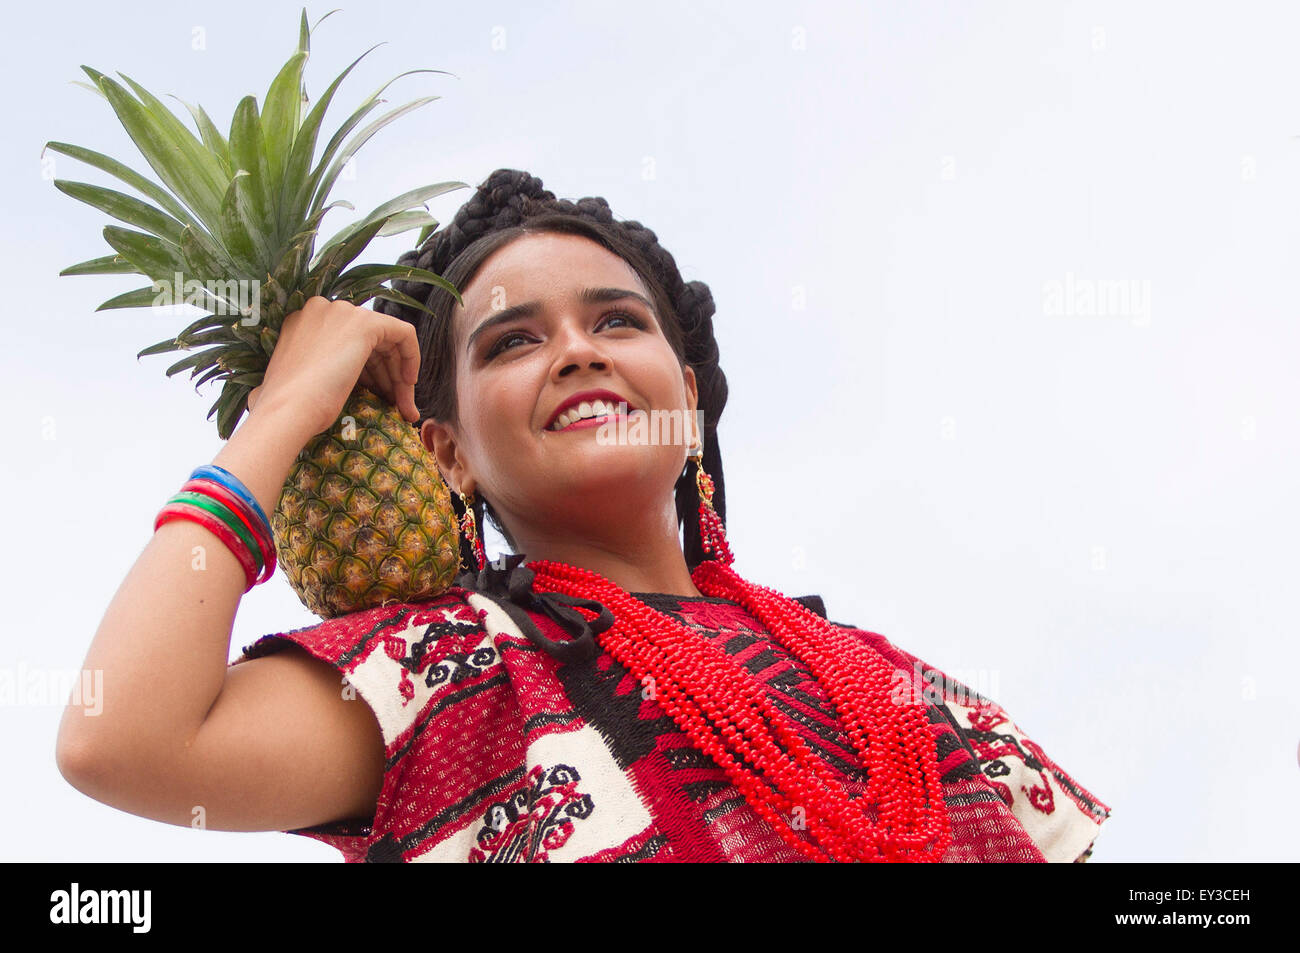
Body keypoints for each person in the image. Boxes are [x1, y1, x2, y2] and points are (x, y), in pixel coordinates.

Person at [56, 168, 1110, 863]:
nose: (576, 349)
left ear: (687, 395)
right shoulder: (446, 672)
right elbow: (124, 739)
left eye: (617, 319)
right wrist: (285, 411)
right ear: (447, 453)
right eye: (510, 341)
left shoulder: (894, 683)